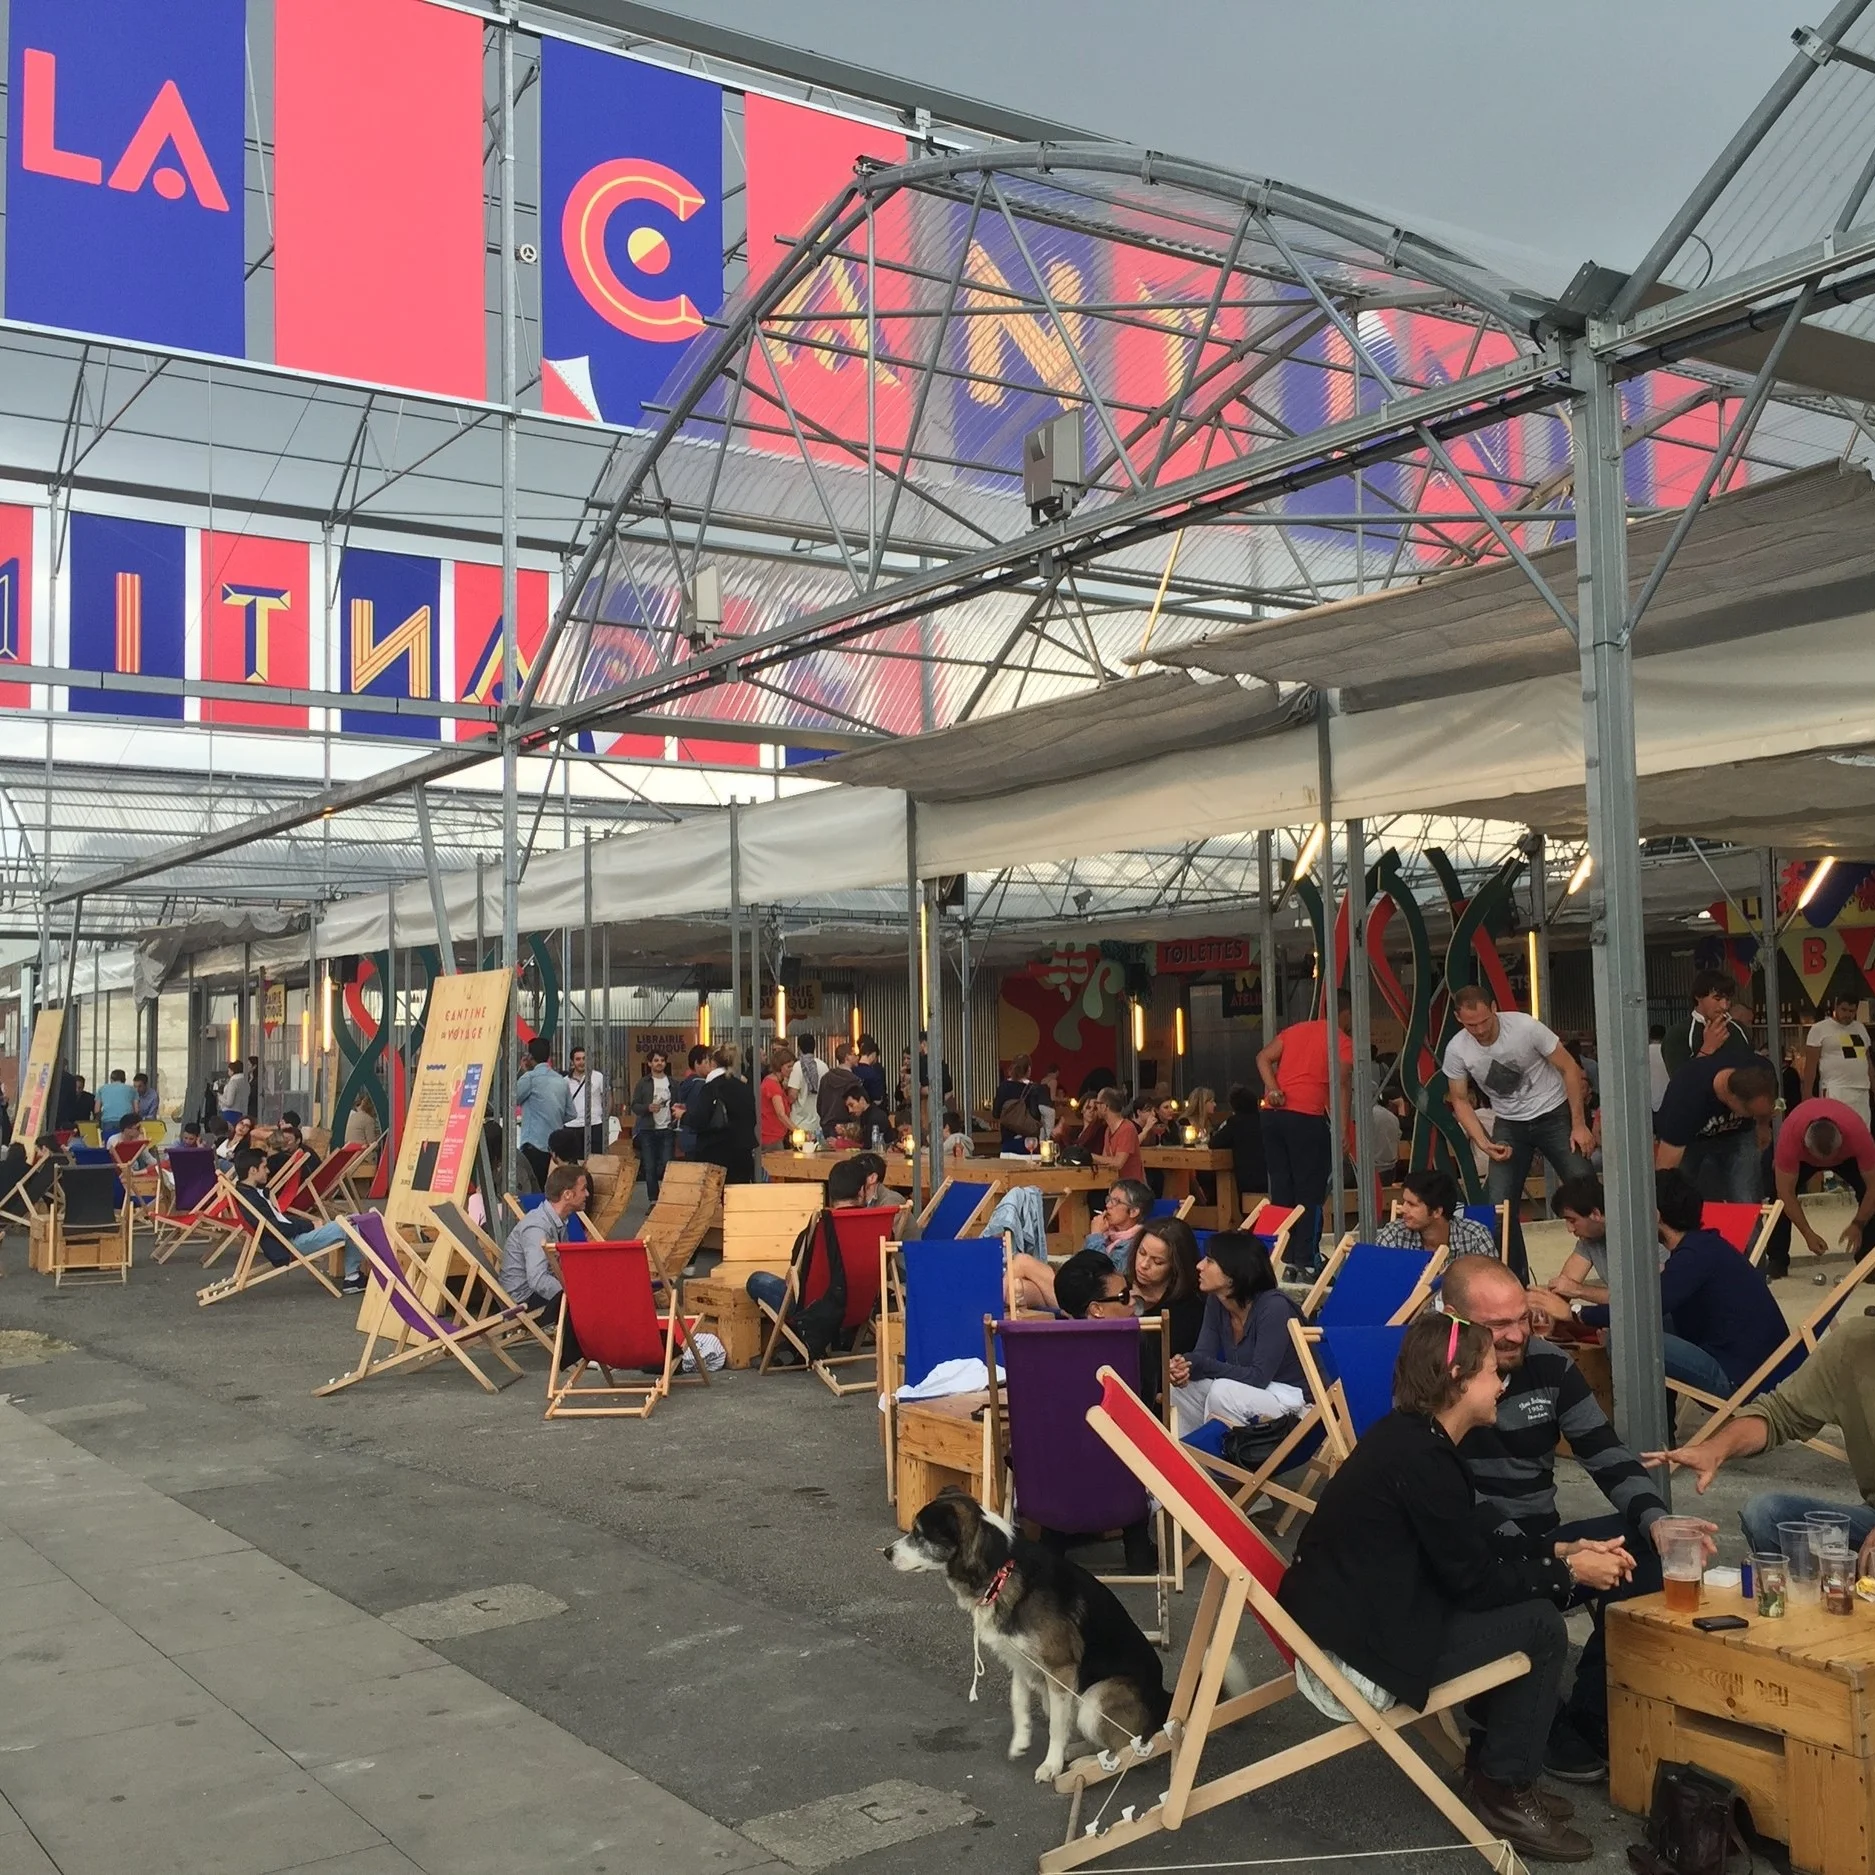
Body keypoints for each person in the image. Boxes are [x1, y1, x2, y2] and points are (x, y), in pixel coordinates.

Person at [1277, 1312, 1621, 1861]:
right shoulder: (1424, 1458)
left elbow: (1469, 1542)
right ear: (1457, 1378)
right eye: (1490, 1373)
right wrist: (1571, 1576)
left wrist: (1560, 1551)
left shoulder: (1414, 1441)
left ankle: (1494, 1773)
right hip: (1356, 1660)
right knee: (1538, 1626)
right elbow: (1475, 1581)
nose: (1502, 1384)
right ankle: (1503, 1790)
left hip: (1359, 1623)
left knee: (1527, 1609)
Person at [1437, 1253, 1700, 1781]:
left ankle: (1587, 1714)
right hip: (1474, 1558)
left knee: (1647, 1547)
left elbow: (1604, 1452)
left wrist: (1656, 1520)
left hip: (1542, 1543)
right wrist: (1557, 1562)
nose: (1516, 1336)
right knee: (1546, 1571)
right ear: (1454, 1321)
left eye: (1522, 1317)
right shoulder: (1433, 1379)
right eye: (1497, 1326)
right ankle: (1513, 1708)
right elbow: (1454, 1503)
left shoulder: (1548, 1365)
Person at [1530, 1168, 1789, 1408]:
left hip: (1744, 1381)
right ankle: (1662, 1430)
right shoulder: (1704, 1247)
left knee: (1623, 1339)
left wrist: (1575, 1312)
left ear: (1653, 1216)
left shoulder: (1691, 1260)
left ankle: (1648, 1438)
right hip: (1755, 1364)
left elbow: (1641, 1309)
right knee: (1636, 1328)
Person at [1647, 1312, 1875, 1558]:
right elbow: (1778, 1412)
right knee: (1767, 1514)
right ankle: (1833, 1589)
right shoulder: (1856, 1343)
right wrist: (1714, 1449)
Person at [1441, 985, 1594, 1283]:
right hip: (1509, 1122)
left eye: (1485, 1021)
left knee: (1586, 1191)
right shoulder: (1457, 1049)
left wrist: (1578, 1124)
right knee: (1498, 1208)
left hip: (1554, 1112)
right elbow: (1458, 1099)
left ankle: (1612, 1270)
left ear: (1494, 1007)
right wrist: (1484, 1142)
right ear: (1459, 1018)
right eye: (1472, 1024)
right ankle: (1514, 1282)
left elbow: (1570, 1069)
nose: (1481, 1029)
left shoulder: (1524, 1026)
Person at [1256, 992, 1355, 1281]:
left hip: (1273, 1116)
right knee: (1310, 1191)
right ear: (1346, 1014)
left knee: (1282, 1189)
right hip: (1306, 1117)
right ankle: (1307, 1260)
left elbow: (1262, 1057)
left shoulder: (1296, 1030)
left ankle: (1283, 1257)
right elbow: (1342, 1084)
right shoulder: (1341, 1040)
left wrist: (1273, 1088)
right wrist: (1341, 1129)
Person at [1167, 1231, 1306, 1435]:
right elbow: (1203, 1355)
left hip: (1295, 1403)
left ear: (1233, 1275)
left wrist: (1201, 1364)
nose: (1199, 1266)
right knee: (1182, 1388)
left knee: (1222, 1392)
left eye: (1210, 1261)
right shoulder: (1217, 1301)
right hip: (1252, 1395)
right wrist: (1185, 1366)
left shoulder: (1274, 1307)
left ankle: (1222, 1461)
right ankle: (1191, 1463)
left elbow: (1259, 1377)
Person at [1761, 1095, 1875, 1278]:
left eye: (1830, 1159)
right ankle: (1777, 1259)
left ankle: (1868, 1260)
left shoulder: (1858, 1135)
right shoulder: (1790, 1138)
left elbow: (1873, 1188)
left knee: (1866, 1192)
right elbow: (1785, 1193)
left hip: (1847, 1155)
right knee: (1777, 1199)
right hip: (1803, 1154)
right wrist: (1808, 1233)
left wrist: (1858, 1223)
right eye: (1821, 1160)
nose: (1826, 1165)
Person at [229, 1147, 364, 1293]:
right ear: (253, 1170)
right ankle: (352, 1278)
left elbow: (280, 1221)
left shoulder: (250, 1194)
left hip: (290, 1238)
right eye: (264, 1167)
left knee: (353, 1219)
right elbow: (276, 1228)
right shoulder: (250, 1199)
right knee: (352, 1225)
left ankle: (353, 1276)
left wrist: (309, 1225)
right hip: (291, 1244)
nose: (268, 1171)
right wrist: (310, 1226)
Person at [1653, 1052, 1777, 1203]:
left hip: (1740, 1134)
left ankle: (1750, 1226)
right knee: (1683, 1192)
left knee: (1746, 1196)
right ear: (1731, 1098)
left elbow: (1767, 1107)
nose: (1753, 1115)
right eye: (1750, 1112)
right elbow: (1666, 1167)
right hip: (1692, 1141)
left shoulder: (1762, 1070)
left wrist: (1762, 1125)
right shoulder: (1685, 1100)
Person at [1009, 1180, 1151, 1310]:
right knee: (1020, 1288)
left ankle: (988, 1305)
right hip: (1080, 1294)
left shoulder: (1136, 1243)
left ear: (1133, 1211)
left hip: (1095, 1301)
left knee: (1023, 1261)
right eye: (1109, 1199)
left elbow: (1102, 1277)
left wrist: (1095, 1236)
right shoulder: (1109, 1234)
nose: (1108, 1206)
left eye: (1116, 1202)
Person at [499, 1163, 589, 1363]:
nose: (587, 1194)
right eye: (583, 1189)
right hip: (524, 1299)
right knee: (588, 1299)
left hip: (535, 1291)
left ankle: (600, 1346)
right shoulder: (537, 1228)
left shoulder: (557, 1220)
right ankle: (588, 1351)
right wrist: (572, 1294)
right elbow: (538, 1280)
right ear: (567, 1194)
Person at [1376, 1167, 1498, 1261]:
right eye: (1404, 1202)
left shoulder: (1475, 1237)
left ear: (1437, 1212)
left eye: (1411, 1204)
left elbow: (1493, 1286)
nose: (1403, 1209)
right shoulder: (1394, 1235)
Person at [1128, 1215, 1206, 1356]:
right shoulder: (1121, 1286)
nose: (1143, 1264)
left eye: (1157, 1261)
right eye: (1142, 1253)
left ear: (1176, 1267)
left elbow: (1158, 1360)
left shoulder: (1189, 1308)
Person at [686, 1044, 756, 1183]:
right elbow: (752, 1119)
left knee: (714, 1200)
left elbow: (700, 1120)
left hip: (715, 1153)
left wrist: (682, 1116)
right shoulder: (744, 1088)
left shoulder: (710, 1088)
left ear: (711, 1062)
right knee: (738, 1199)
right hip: (743, 1153)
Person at [1661, 970, 1754, 1075]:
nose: (1724, 1006)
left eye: (1727, 999)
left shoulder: (1739, 1030)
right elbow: (1679, 1084)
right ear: (1698, 997)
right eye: (1717, 999)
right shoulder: (1678, 1034)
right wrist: (1708, 1048)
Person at [1802, 990, 1873, 1124]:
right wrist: (1807, 1094)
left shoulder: (1860, 1028)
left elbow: (1867, 1061)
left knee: (1861, 1133)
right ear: (1836, 1007)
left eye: (1851, 1011)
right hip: (1835, 1088)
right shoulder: (1819, 1029)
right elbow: (1811, 1064)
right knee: (1837, 1130)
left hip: (1861, 1089)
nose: (1847, 1014)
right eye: (1844, 1009)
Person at [1545, 1173, 1617, 1304]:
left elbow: (1640, 1298)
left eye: (1572, 1220)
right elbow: (1564, 1286)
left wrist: (1580, 1290)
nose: (1570, 1229)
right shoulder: (1588, 1240)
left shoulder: (1637, 1236)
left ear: (1595, 1214)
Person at [514, 1037, 572, 1190]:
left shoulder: (530, 1078)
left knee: (533, 1189)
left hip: (533, 1144)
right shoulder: (561, 1080)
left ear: (530, 1057)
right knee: (553, 1190)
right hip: (555, 1148)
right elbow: (571, 1113)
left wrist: (522, 1072)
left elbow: (512, 1099)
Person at [630, 1049, 677, 1203]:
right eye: (656, 1060)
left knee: (667, 1165)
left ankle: (666, 1198)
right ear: (650, 1063)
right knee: (649, 1167)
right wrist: (647, 1108)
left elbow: (678, 1102)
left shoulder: (672, 1083)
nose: (659, 1063)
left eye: (662, 1060)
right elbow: (634, 1105)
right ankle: (653, 1200)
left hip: (667, 1129)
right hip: (648, 1129)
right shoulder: (643, 1083)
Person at [1208, 1084, 1268, 1198]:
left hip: (1248, 1181)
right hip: (1269, 1178)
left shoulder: (1235, 1123)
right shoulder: (1264, 1120)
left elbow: (1214, 1143)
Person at [1087, 1086, 1144, 1184]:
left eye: (1097, 1103)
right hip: (1115, 1185)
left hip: (1131, 1189)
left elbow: (1118, 1163)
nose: (1095, 1108)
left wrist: (1090, 1157)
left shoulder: (1127, 1129)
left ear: (1105, 1107)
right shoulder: (1108, 1130)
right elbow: (1105, 1160)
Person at [563, 1046, 609, 1159]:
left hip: (595, 1125)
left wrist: (605, 1117)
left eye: (584, 1058)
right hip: (571, 1126)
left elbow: (607, 1098)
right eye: (578, 1059)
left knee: (596, 1162)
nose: (581, 1062)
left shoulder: (598, 1077)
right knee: (573, 1163)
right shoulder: (564, 1081)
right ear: (572, 1062)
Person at [992, 1053, 1042, 1153]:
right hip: (1028, 1142)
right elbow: (1036, 1115)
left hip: (1007, 1138)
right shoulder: (1033, 1089)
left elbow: (996, 1113)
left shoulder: (1003, 1087)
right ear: (1028, 1069)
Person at [673, 1043, 712, 1160]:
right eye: (707, 1062)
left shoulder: (687, 1083)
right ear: (696, 1063)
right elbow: (700, 1113)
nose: (710, 1066)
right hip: (697, 1137)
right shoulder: (701, 1085)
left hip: (686, 1136)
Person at [815, 1041, 862, 1137]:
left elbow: (819, 1105)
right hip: (846, 1128)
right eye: (854, 1054)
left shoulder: (826, 1078)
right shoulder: (853, 1080)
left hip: (827, 1126)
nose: (858, 1057)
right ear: (847, 1057)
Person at [785, 1035, 825, 1141]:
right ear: (814, 1047)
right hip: (818, 1121)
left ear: (799, 1048)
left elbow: (792, 1095)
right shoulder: (823, 1066)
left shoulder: (797, 1066)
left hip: (799, 1123)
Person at [758, 1043, 793, 1153]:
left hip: (770, 1135)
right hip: (772, 1137)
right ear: (780, 1066)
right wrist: (797, 1130)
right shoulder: (773, 1086)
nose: (791, 1070)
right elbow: (780, 1113)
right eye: (789, 1066)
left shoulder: (771, 1082)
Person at [854, 1035, 888, 1110]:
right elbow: (878, 1099)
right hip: (871, 1113)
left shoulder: (852, 1070)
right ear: (873, 1055)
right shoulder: (875, 1073)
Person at [219, 1060, 248, 1131]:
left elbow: (229, 1102)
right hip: (241, 1112)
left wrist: (219, 1096)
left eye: (229, 1070)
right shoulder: (246, 1082)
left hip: (229, 1113)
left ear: (232, 1071)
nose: (228, 1072)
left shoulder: (233, 1083)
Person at [1647, 1024, 1669, 1112]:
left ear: (1649, 1035)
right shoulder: (1668, 1052)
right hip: (1666, 1099)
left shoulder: (1644, 1052)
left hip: (1649, 1100)